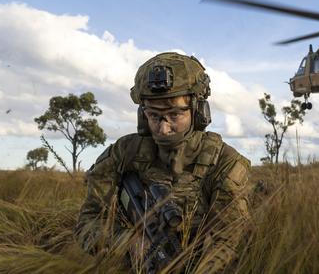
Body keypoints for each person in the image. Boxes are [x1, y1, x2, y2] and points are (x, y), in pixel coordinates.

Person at [75, 52, 251, 272]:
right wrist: (128, 243)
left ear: (198, 112)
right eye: (154, 115)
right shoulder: (124, 153)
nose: (163, 128)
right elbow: (88, 220)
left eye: (174, 115)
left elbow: (228, 243)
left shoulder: (225, 164)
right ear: (142, 114)